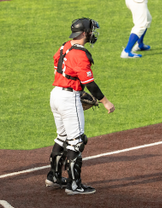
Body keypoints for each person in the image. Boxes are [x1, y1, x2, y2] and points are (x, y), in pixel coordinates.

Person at [46, 18, 115, 195]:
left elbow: (56, 66)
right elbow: (90, 83)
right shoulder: (80, 54)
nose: (93, 33)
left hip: (55, 95)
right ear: (84, 33)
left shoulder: (65, 46)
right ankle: (74, 185)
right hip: (69, 98)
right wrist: (106, 102)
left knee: (62, 137)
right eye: (91, 30)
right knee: (77, 141)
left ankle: (54, 176)